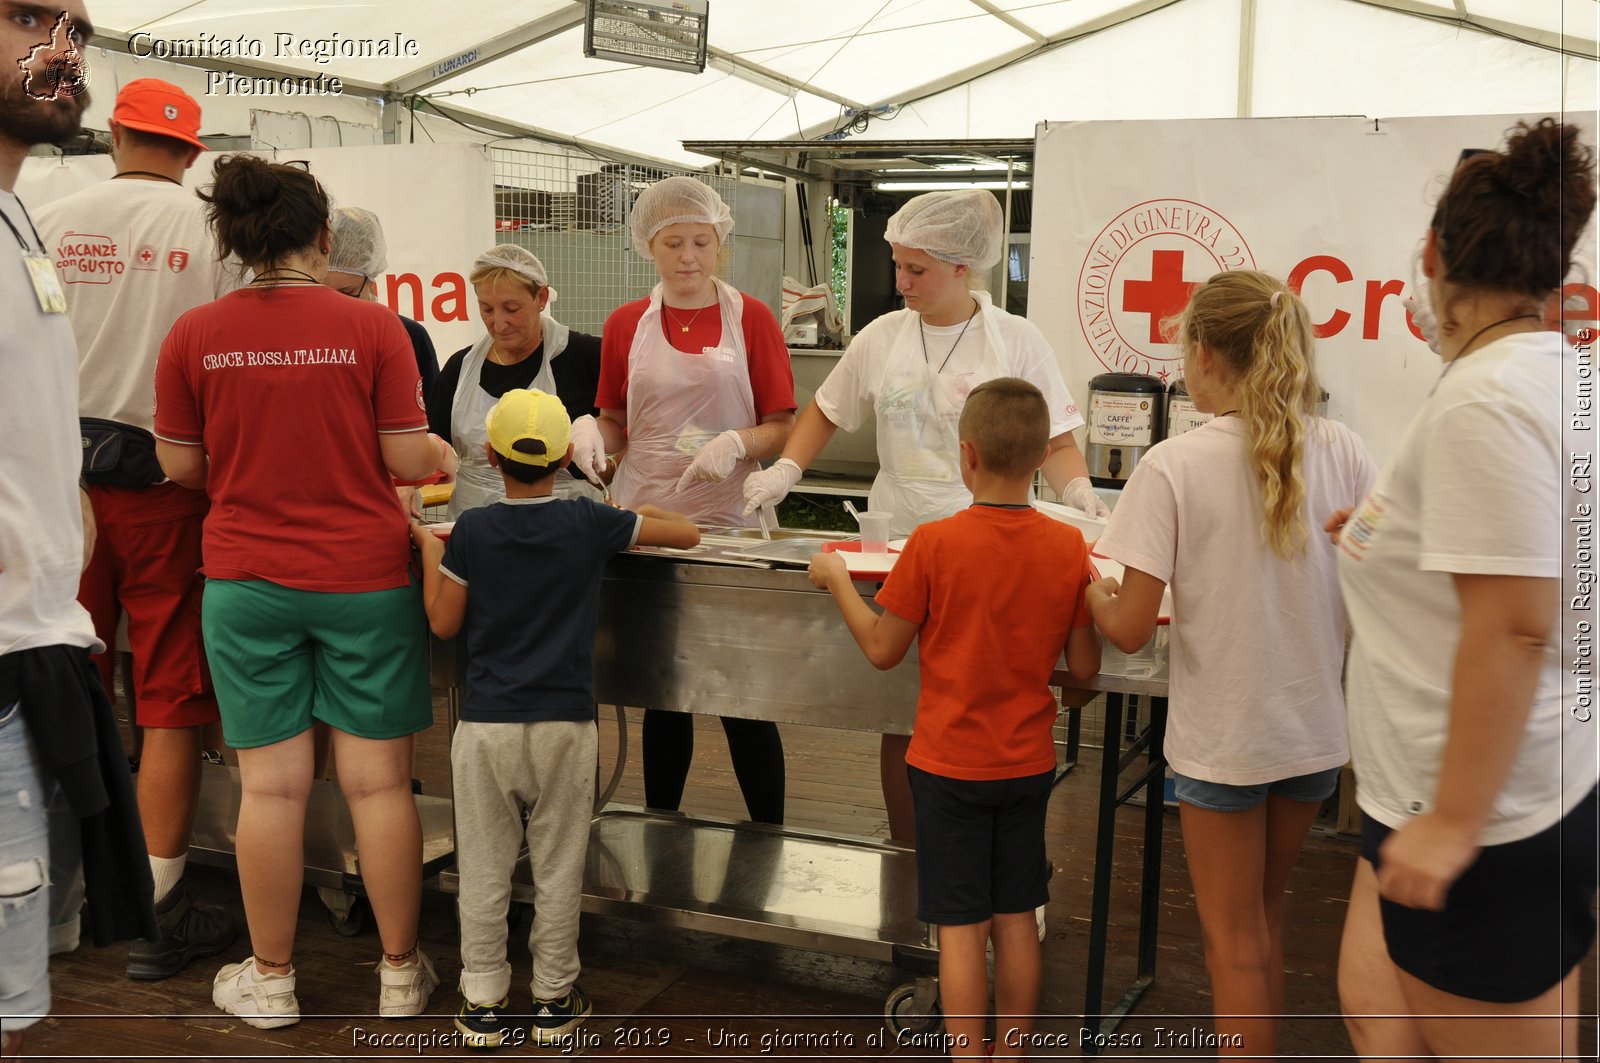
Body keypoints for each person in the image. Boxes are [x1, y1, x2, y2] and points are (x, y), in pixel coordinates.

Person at [153, 153, 452, 1029]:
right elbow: (406, 456)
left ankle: (273, 979)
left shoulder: (195, 334)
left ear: (235, 239)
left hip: (247, 581)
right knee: (379, 786)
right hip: (362, 578)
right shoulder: (374, 329)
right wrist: (435, 453)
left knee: (272, 789)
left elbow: (180, 466)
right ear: (323, 236)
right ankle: (401, 973)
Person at [1332, 119, 1598, 1061]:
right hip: (1449, 788)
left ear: (1437, 254)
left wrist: (1452, 823)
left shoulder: (1487, 398)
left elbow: (1517, 627)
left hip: (1476, 810)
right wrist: (1386, 542)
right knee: (1376, 1007)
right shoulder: (1552, 375)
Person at [743, 187, 1102, 845]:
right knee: (902, 712)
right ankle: (910, 852)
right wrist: (787, 469)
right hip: (902, 545)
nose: (901, 282)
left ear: (964, 266)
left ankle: (998, 852)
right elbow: (825, 408)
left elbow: (1051, 436)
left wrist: (1078, 490)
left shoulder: (1014, 340)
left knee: (990, 704)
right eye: (899, 266)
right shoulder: (883, 337)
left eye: (918, 270)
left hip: (992, 551)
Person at [1086, 271, 1375, 1057]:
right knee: (1266, 921)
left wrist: (1090, 582)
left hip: (1225, 740)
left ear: (1205, 353)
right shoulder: (1344, 447)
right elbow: (1375, 570)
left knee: (1232, 944)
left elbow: (1132, 629)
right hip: (1313, 733)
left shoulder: (1173, 466)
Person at [806, 377, 1100, 1062]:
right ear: (1038, 461)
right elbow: (1083, 666)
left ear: (966, 454)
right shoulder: (1066, 549)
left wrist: (838, 579)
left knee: (962, 927)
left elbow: (884, 648)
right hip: (1027, 763)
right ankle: (1012, 1053)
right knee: (1018, 916)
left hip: (946, 766)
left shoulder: (934, 545)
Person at [411, 388, 699, 1049]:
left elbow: (443, 621)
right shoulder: (588, 522)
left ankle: (482, 997)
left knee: (484, 866)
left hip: (486, 728)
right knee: (560, 863)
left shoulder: (476, 530)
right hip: (567, 726)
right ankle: (553, 995)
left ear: (489, 454)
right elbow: (686, 533)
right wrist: (626, 512)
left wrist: (430, 552)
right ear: (567, 456)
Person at [35, 76, 239, 981]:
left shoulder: (46, 213)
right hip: (166, 482)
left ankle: (48, 893)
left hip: (53, 489)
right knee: (166, 693)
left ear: (113, 134)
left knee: (56, 685)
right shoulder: (211, 229)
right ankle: (156, 910)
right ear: (192, 151)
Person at [1, 3, 156, 1058]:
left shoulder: (21, 218)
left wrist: (68, 498)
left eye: (76, 29)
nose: (62, 49)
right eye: (25, 17)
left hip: (39, 647)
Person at [578, 176, 793, 825]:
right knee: (662, 690)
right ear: (650, 246)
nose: (689, 256)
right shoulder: (625, 325)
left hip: (727, 519)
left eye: (701, 241)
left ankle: (771, 834)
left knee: (742, 693)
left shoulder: (749, 316)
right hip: (650, 523)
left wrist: (736, 441)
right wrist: (591, 434)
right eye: (674, 242)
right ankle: (658, 828)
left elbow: (783, 422)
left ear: (719, 242)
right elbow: (616, 418)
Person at [428, 244, 603, 518]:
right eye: (487, 309)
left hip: (563, 526)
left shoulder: (584, 358)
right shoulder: (461, 368)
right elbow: (433, 441)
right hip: (475, 527)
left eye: (512, 309)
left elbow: (623, 432)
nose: (499, 323)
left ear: (541, 297)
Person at [324, 205, 439, 398]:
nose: (338, 305)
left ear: (370, 281)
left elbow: (431, 414)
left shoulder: (407, 335)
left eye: (348, 293)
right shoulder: (304, 338)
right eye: (325, 294)